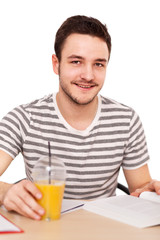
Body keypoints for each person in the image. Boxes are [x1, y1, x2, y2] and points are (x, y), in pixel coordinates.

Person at [0, 15, 160, 220]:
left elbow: (139, 191)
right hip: (44, 227)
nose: (88, 75)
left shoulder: (126, 120)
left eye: (99, 64)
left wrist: (150, 193)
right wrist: (5, 192)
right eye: (76, 61)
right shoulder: (24, 118)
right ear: (56, 64)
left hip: (105, 230)